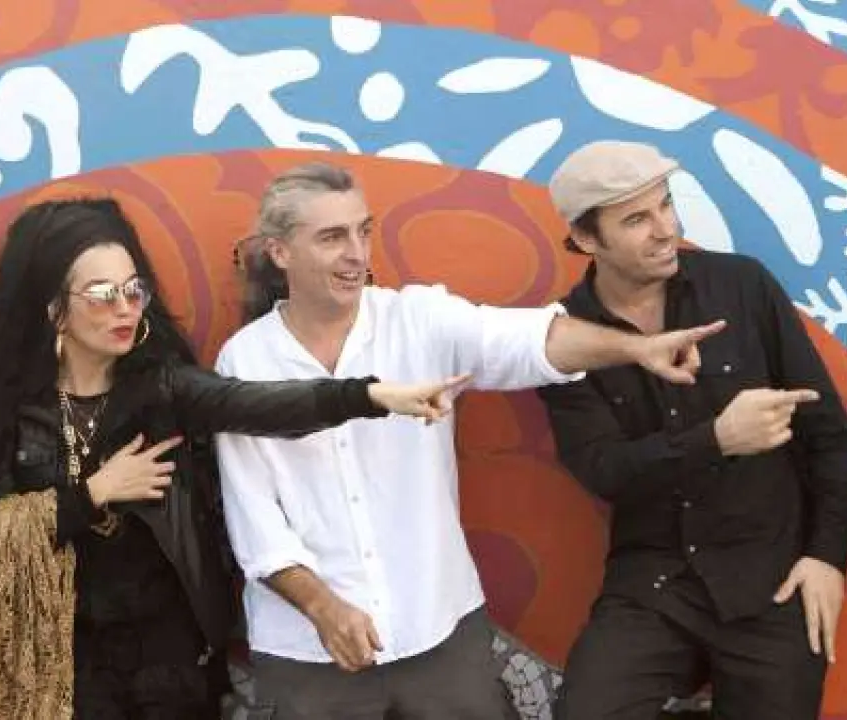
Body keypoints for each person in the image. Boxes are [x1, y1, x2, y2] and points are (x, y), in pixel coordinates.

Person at [214, 161, 726, 719]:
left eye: (364, 231)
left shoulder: (418, 319)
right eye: (332, 237)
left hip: (440, 631)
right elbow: (255, 521)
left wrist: (636, 349)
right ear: (280, 251)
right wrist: (323, 609)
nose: (357, 254)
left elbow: (528, 340)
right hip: (308, 653)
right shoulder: (245, 362)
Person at [0, 197, 466, 719]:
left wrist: (370, 396)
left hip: (170, 658)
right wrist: (95, 493)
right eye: (104, 295)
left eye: (134, 290)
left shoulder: (164, 387)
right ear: (53, 309)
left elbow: (257, 404)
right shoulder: (13, 408)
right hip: (63, 663)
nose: (126, 308)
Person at [534, 140, 847, 719]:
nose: (666, 229)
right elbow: (604, 470)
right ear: (587, 239)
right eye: (636, 220)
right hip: (653, 583)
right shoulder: (565, 339)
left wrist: (826, 558)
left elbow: (831, 437)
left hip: (772, 578)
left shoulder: (742, 286)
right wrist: (716, 438)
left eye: (665, 204)